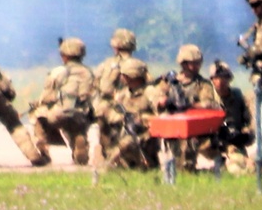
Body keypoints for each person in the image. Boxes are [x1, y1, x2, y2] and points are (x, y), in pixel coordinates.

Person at [29, 37, 96, 165]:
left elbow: (47, 96)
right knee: (77, 127)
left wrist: (37, 103)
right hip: (81, 114)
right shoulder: (89, 73)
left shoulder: (57, 72)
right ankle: (80, 142)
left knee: (38, 116)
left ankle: (43, 149)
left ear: (64, 55)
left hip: (59, 113)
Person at [94, 58, 163, 170]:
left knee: (127, 142)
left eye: (124, 75)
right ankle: (109, 153)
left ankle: (107, 166)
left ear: (131, 76)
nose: (121, 78)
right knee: (102, 111)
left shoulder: (150, 91)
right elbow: (114, 108)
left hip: (145, 136)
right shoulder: (124, 93)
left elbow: (161, 116)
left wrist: (141, 119)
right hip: (124, 131)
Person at [163, 44, 217, 173]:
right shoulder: (171, 82)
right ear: (184, 63)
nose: (196, 66)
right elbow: (156, 96)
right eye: (193, 63)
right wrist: (165, 102)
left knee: (187, 151)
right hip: (173, 124)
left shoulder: (203, 84)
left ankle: (187, 171)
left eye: (198, 63)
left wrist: (190, 105)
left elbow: (208, 103)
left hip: (194, 127)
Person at [94, 29, 138, 163]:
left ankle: (107, 153)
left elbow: (98, 85)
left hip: (107, 108)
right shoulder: (138, 64)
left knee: (105, 129)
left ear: (115, 46)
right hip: (131, 106)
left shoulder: (106, 64)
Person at [209, 60, 253, 174]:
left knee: (244, 166)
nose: (220, 82)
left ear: (229, 79)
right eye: (217, 78)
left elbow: (247, 120)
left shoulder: (237, 96)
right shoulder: (208, 98)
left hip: (234, 142)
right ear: (212, 80)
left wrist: (245, 132)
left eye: (224, 78)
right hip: (212, 143)